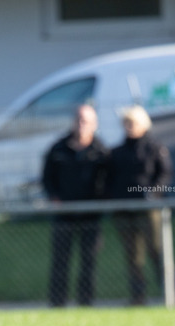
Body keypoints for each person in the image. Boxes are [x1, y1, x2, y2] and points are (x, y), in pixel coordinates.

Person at [105, 105, 173, 305]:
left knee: (157, 251)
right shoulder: (116, 152)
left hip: (148, 209)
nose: (129, 127)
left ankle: (171, 294)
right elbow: (109, 179)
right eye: (126, 123)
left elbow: (165, 174)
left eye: (132, 123)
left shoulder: (155, 148)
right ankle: (138, 297)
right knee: (133, 256)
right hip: (124, 210)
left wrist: (153, 194)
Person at [42, 104, 108, 307]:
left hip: (91, 214)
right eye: (79, 119)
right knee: (61, 260)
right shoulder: (58, 148)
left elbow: (108, 180)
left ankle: (86, 302)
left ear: (94, 124)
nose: (82, 124)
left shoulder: (101, 151)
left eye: (86, 121)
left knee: (89, 260)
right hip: (65, 213)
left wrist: (100, 202)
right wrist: (54, 197)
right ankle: (57, 303)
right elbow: (47, 177)